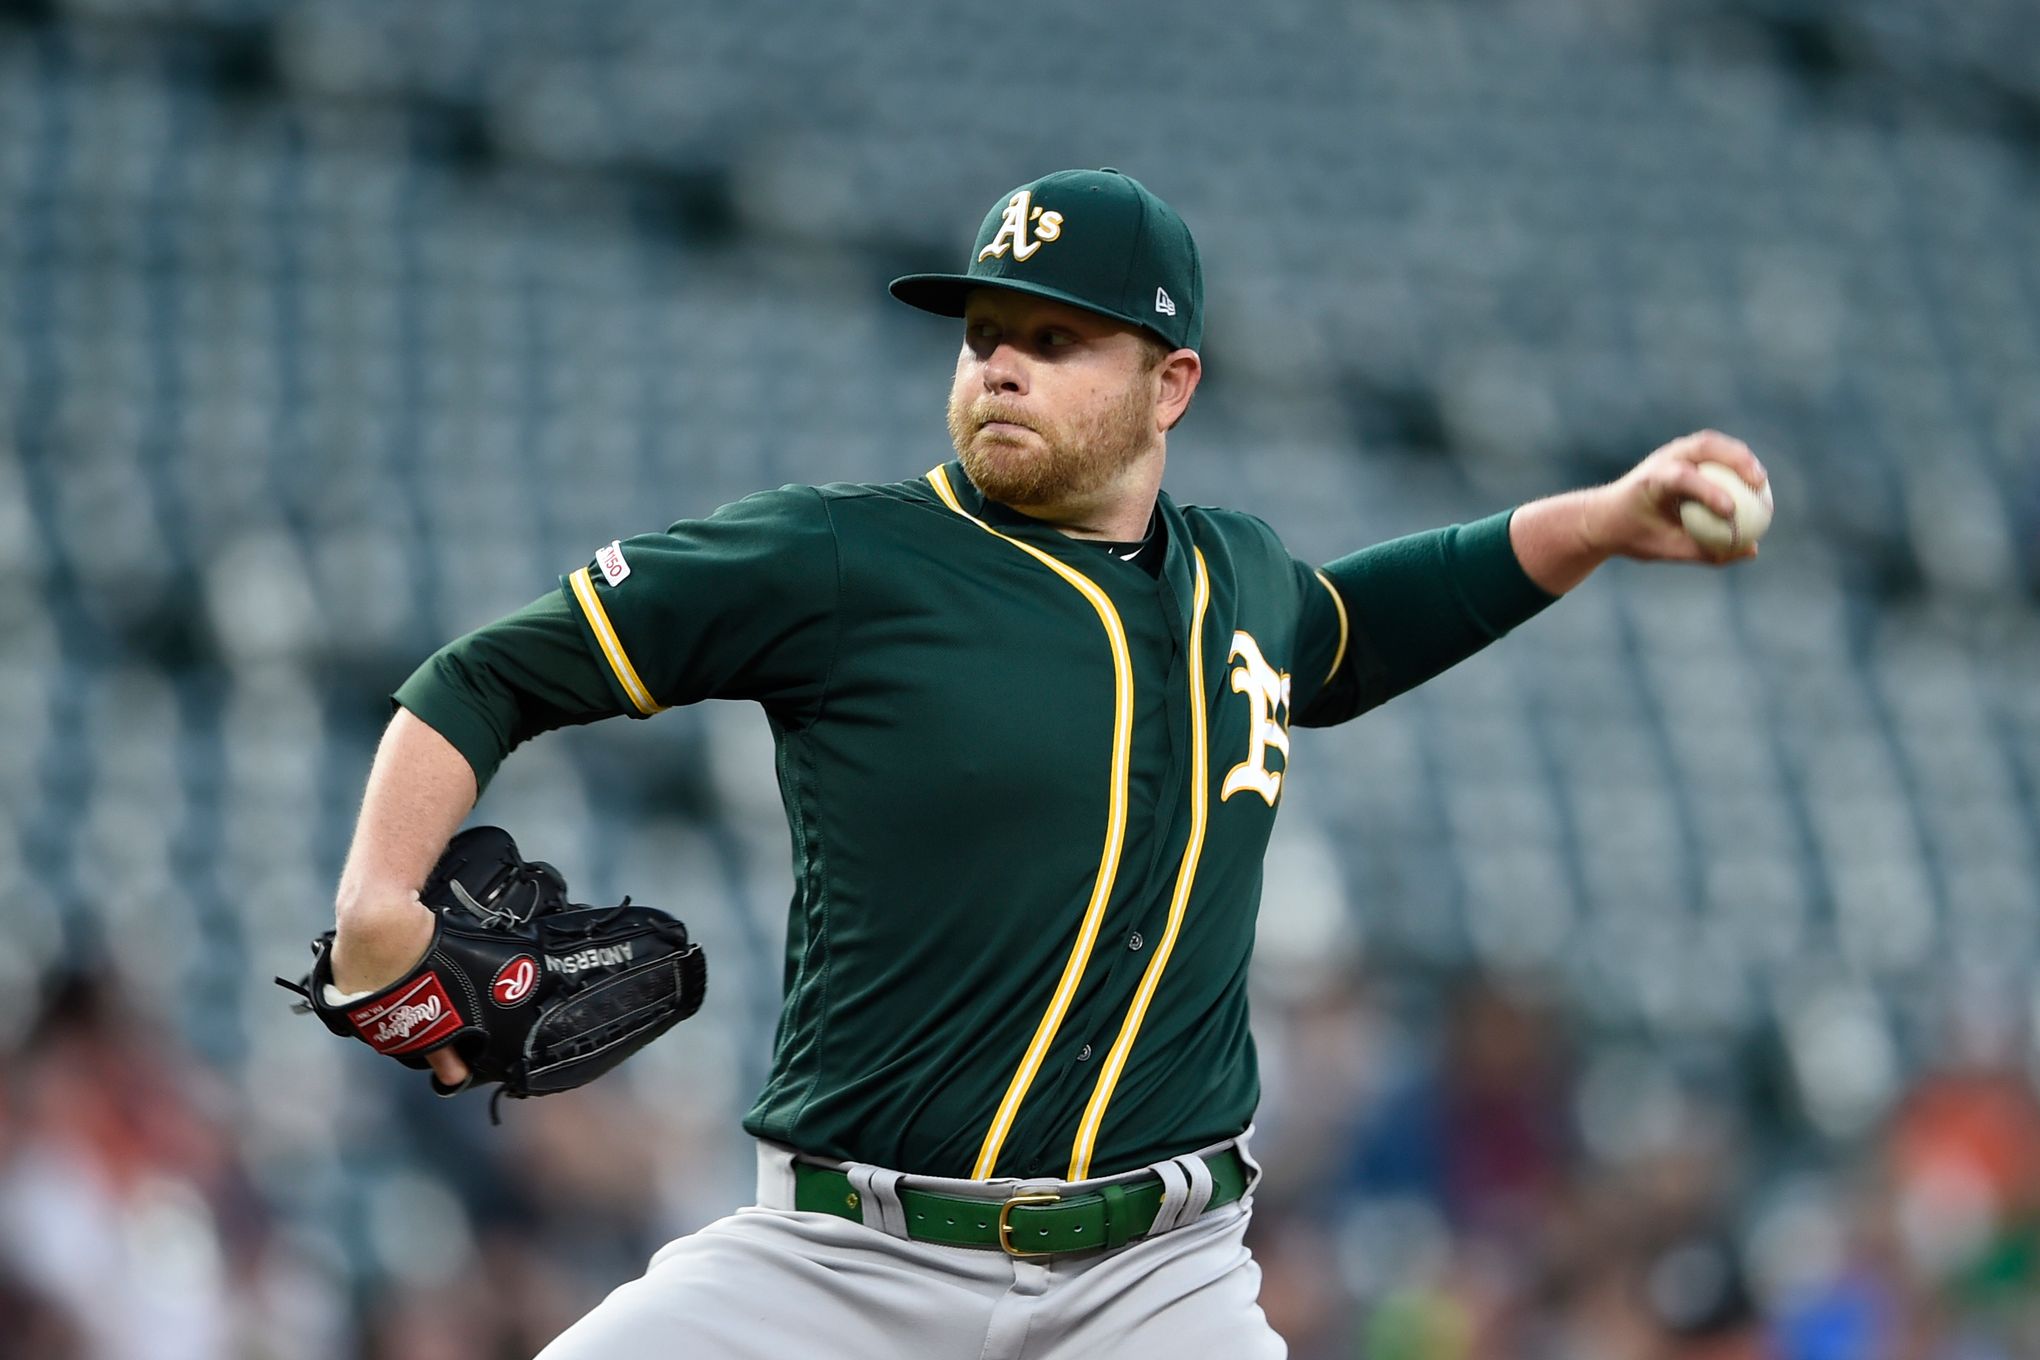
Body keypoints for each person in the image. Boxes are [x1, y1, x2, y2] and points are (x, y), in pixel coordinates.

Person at [322, 167, 1767, 1357]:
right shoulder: (846, 558)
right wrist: (384, 893)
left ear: (1170, 382)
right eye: (982, 331)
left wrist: (1596, 521)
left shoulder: (1241, 580)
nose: (1001, 360)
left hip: (1158, 1286)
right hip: (840, 1268)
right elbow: (490, 670)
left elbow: (1358, 626)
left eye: (1056, 337)